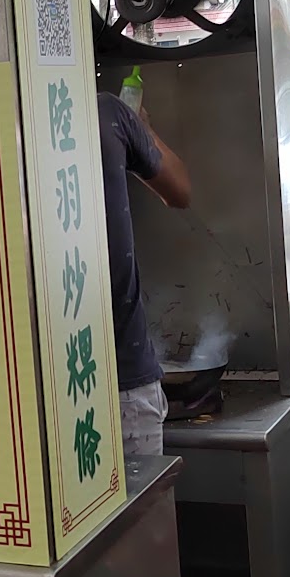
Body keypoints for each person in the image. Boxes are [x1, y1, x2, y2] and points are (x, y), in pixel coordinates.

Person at [97, 91, 192, 461]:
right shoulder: (106, 112)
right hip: (122, 383)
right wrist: (143, 127)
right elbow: (179, 191)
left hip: (20, 389)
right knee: (136, 500)